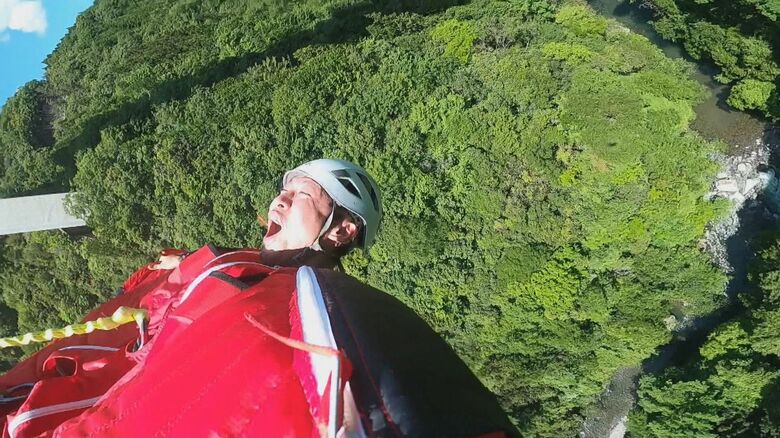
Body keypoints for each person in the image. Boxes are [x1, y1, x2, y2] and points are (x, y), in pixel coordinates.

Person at [0, 159, 518, 437]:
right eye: (283, 191)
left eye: (301, 195)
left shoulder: (316, 308)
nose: (280, 200)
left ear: (341, 231)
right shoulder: (225, 269)